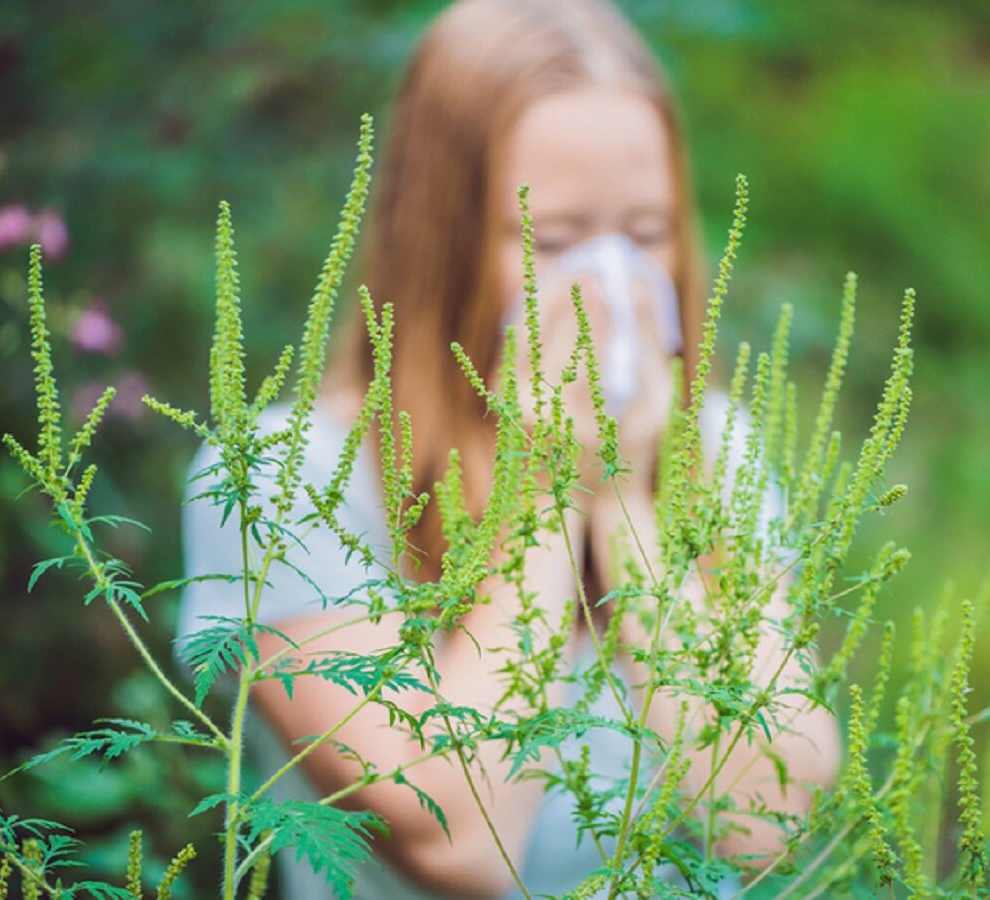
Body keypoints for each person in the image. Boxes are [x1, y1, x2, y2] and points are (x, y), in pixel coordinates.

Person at [178, 1, 840, 897]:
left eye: (643, 236)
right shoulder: (282, 481)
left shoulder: (719, 448)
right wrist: (551, 488)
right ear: (440, 241)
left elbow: (763, 824)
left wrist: (628, 502)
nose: (607, 284)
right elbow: (461, 840)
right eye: (556, 242)